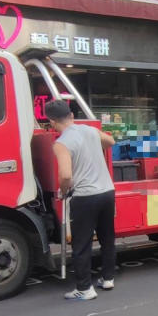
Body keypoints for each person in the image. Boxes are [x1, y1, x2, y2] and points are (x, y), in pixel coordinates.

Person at [46, 99, 117, 301]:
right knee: (107, 237)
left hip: (85, 196)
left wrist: (63, 190)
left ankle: (85, 289)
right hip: (107, 192)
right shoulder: (89, 130)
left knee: (82, 243)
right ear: (71, 116)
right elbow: (111, 142)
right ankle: (108, 278)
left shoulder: (61, 143)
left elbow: (66, 175)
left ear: (52, 122)